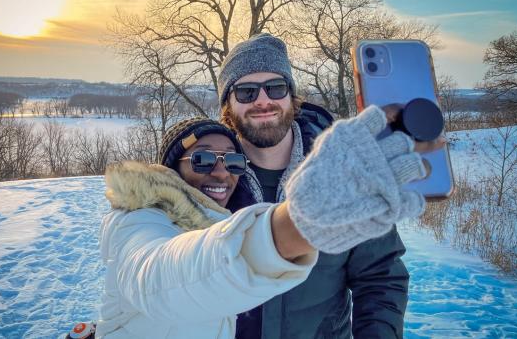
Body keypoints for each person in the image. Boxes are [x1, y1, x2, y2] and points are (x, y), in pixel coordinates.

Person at [95, 108, 435, 338]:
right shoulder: (139, 221)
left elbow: (381, 275)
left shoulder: (221, 213)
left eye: (231, 161)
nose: (220, 171)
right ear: (171, 168)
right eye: (201, 159)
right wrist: (297, 223)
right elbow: (161, 276)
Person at [217, 32, 443, 338]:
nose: (263, 100)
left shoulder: (345, 168)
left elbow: (379, 276)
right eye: (246, 92)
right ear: (227, 105)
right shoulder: (209, 179)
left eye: (275, 87)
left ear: (291, 96)